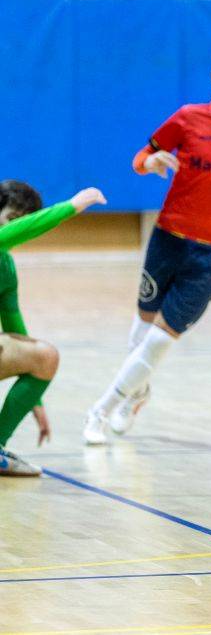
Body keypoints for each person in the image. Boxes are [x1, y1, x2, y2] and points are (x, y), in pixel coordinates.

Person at [82, 42, 211, 445]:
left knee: (160, 340)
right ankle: (137, 395)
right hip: (168, 238)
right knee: (139, 336)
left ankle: (100, 411)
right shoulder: (188, 118)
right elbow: (141, 157)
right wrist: (150, 163)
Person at [0, 183, 106, 475]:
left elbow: (15, 327)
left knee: (44, 355)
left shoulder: (5, 266)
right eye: (12, 219)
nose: (19, 228)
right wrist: (71, 206)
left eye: (25, 220)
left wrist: (35, 401)